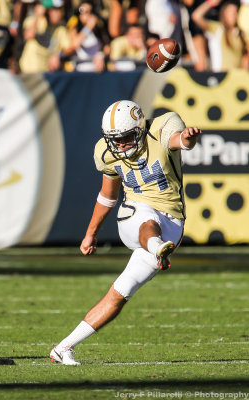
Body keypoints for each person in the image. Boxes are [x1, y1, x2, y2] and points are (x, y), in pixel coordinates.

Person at [50, 100, 202, 365]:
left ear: (140, 128)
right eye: (114, 140)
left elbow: (180, 141)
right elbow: (107, 197)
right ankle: (156, 248)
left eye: (125, 138)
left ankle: (63, 348)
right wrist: (91, 233)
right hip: (133, 214)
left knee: (121, 293)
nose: (120, 145)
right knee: (146, 217)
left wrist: (188, 139)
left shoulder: (161, 128)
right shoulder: (107, 153)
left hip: (172, 223)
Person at [192, 0, 249, 71]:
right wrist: (211, 3)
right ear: (224, 13)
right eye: (230, 12)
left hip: (236, 77)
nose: (234, 15)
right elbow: (196, 16)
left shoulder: (241, 34)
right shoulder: (217, 29)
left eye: (235, 12)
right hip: (220, 76)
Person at [66, 0, 110, 72]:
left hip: (97, 70)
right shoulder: (75, 26)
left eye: (90, 11)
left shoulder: (99, 27)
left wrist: (101, 55)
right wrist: (88, 27)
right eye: (83, 12)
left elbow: (107, 47)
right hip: (80, 70)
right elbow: (74, 45)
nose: (87, 15)